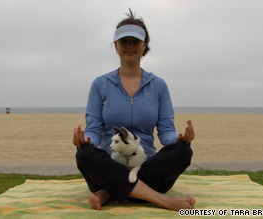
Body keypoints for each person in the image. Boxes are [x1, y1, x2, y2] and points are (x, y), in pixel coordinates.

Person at [73, 9, 196, 211]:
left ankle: (109, 192)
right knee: (84, 155)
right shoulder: (100, 84)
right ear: (116, 46)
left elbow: (166, 132)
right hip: (109, 166)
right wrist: (86, 141)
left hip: (145, 166)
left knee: (183, 151)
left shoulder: (159, 85)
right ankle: (161, 200)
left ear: (144, 46)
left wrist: (179, 138)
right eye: (124, 41)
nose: (130, 46)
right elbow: (93, 129)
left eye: (135, 41)